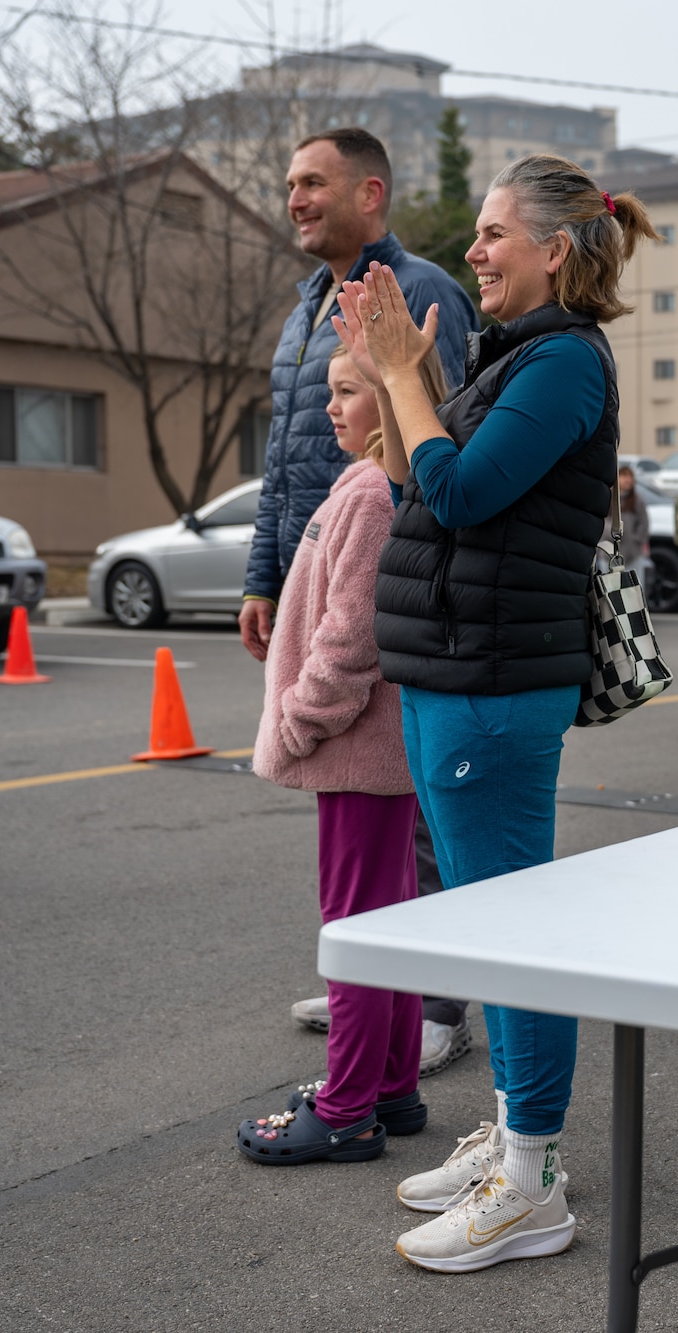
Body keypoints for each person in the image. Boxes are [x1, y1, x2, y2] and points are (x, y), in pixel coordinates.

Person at [332, 152, 659, 1273]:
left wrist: (408, 381)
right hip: (449, 674)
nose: (471, 251)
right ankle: (518, 1142)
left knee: (518, 934)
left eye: (490, 234)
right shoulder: (508, 357)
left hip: (494, 687)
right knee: (485, 924)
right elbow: (411, 474)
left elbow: (463, 492)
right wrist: (391, 378)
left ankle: (532, 1181)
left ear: (553, 251)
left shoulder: (563, 365)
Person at [246, 126, 477, 1072]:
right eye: (290, 183)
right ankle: (369, 982)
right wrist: (265, 572)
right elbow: (283, 450)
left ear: (370, 193)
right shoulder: (308, 306)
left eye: (314, 182)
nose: (295, 198)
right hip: (322, 562)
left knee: (409, 801)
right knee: (354, 801)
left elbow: (444, 430)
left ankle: (431, 1003)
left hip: (393, 579)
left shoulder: (417, 294)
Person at [239, 345, 447, 1165]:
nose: (331, 406)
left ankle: (348, 1101)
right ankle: (392, 1086)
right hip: (376, 750)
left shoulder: (368, 491)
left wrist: (299, 721)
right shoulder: (374, 483)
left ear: (392, 401)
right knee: (387, 920)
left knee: (354, 927)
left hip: (353, 746)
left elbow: (351, 633)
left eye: (349, 392)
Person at [617, 462, 651, 587]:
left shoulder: (637, 500)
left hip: (633, 553)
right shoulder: (610, 500)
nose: (627, 480)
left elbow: (644, 523)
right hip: (610, 554)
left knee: (634, 588)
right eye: (624, 476)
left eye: (630, 476)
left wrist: (637, 539)